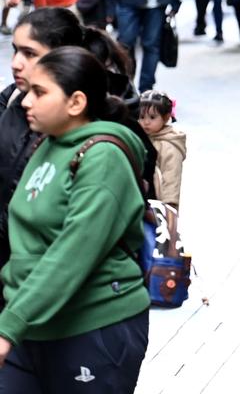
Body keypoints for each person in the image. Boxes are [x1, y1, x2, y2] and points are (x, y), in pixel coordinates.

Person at [0, 46, 151, 390]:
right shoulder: (47, 144)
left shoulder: (102, 157)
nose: (25, 101)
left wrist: (9, 325)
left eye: (39, 92)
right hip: (29, 325)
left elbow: (72, 253)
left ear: (76, 102)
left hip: (91, 327)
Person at [0, 8, 84, 272]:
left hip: (37, 275)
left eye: (30, 53)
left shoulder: (86, 126)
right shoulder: (12, 98)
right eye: (15, 50)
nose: (15, 63)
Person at [138, 89, 185, 209]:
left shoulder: (169, 146)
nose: (146, 122)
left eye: (152, 117)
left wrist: (170, 206)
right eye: (141, 117)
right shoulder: (140, 137)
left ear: (165, 118)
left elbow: (172, 178)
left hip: (157, 202)